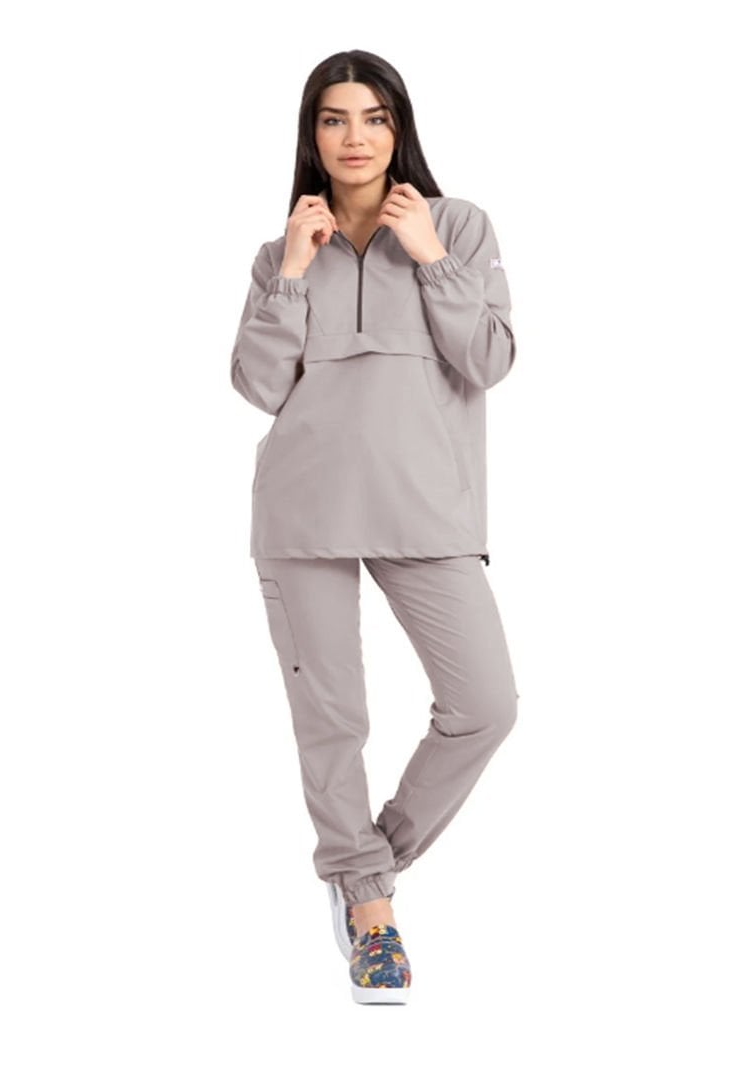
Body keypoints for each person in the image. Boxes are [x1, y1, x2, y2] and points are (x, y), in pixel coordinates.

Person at [229, 50, 520, 1005]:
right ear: (311, 136)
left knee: (485, 704)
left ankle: (364, 865)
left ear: (400, 129)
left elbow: (489, 359)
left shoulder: (458, 225)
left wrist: (432, 258)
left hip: (426, 507)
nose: (354, 137)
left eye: (374, 117)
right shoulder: (282, 250)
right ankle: (370, 912)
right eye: (334, 119)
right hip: (302, 509)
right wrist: (293, 274)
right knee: (333, 723)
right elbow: (258, 386)